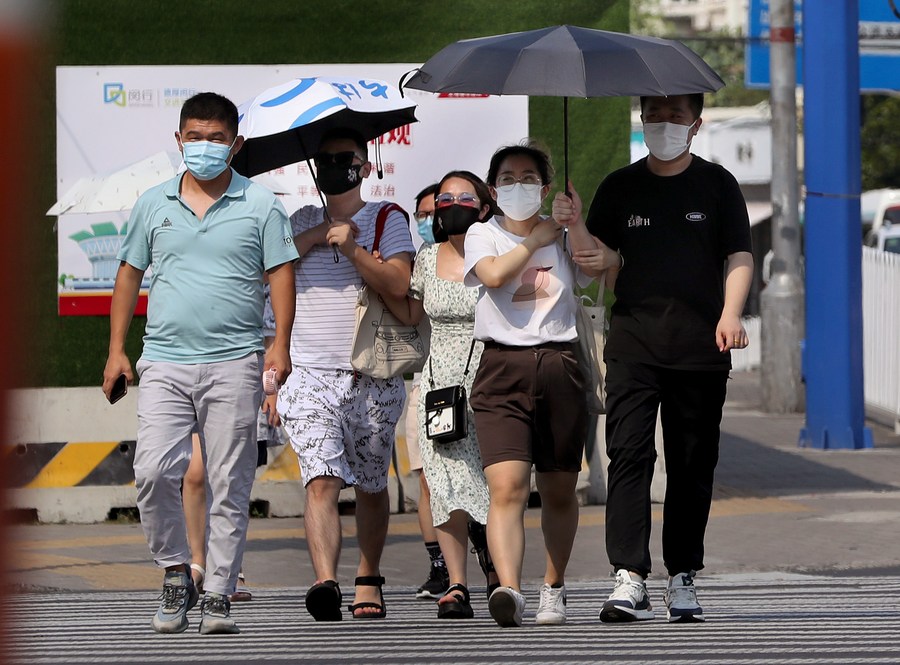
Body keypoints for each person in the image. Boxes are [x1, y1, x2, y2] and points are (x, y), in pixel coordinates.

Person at [101, 92, 298, 635]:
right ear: (178, 139)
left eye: (216, 138)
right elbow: (128, 275)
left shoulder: (260, 203)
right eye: (195, 136)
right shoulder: (153, 203)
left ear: (235, 144)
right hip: (164, 361)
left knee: (230, 481)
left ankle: (217, 591)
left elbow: (281, 272)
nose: (204, 147)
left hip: (236, 362)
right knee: (151, 471)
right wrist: (117, 350)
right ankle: (173, 570)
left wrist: (280, 344)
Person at [553, 93, 753, 624]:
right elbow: (594, 263)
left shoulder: (718, 185)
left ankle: (682, 575)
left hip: (701, 348)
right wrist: (574, 225)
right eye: (654, 115)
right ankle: (630, 575)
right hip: (634, 345)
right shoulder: (621, 187)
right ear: (643, 119)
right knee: (630, 456)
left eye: (675, 116)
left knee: (692, 464)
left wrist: (731, 313)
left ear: (696, 123)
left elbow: (739, 254)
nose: (664, 124)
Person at [276, 127, 415, 621]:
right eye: (326, 160)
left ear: (367, 164)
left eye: (346, 158)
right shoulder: (300, 221)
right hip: (309, 374)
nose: (336, 166)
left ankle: (369, 574)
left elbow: (399, 283)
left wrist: (354, 250)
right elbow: (268, 271)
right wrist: (316, 236)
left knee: (373, 484)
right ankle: (325, 582)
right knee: (321, 479)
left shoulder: (387, 218)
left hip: (371, 374)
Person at [463, 142, 592, 628]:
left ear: (546, 186)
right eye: (509, 179)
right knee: (508, 486)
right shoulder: (482, 234)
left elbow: (596, 266)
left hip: (559, 364)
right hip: (501, 369)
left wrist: (573, 223)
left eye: (529, 178)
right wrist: (534, 240)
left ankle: (554, 586)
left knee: (559, 488)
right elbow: (494, 276)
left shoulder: (559, 235)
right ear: (493, 190)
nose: (519, 187)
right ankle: (509, 589)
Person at [382, 171, 499, 619]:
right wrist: (376, 278)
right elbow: (413, 311)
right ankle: (456, 584)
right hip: (438, 385)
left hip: (489, 377)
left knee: (491, 480)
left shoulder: (495, 252)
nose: (451, 204)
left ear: (484, 207)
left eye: (463, 197)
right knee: (444, 480)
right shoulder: (427, 259)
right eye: (444, 197)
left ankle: (496, 571)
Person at [407, 183, 451, 600]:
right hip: (426, 385)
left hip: (472, 380)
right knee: (427, 477)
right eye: (421, 213)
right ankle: (439, 564)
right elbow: (408, 312)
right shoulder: (419, 260)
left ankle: (484, 562)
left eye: (434, 211)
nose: (429, 219)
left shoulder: (478, 253)